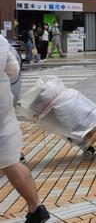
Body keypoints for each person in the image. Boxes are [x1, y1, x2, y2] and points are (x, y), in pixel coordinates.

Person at [0, 35, 50, 223]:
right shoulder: (1, 41)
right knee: (10, 161)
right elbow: (13, 70)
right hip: (2, 101)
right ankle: (36, 207)